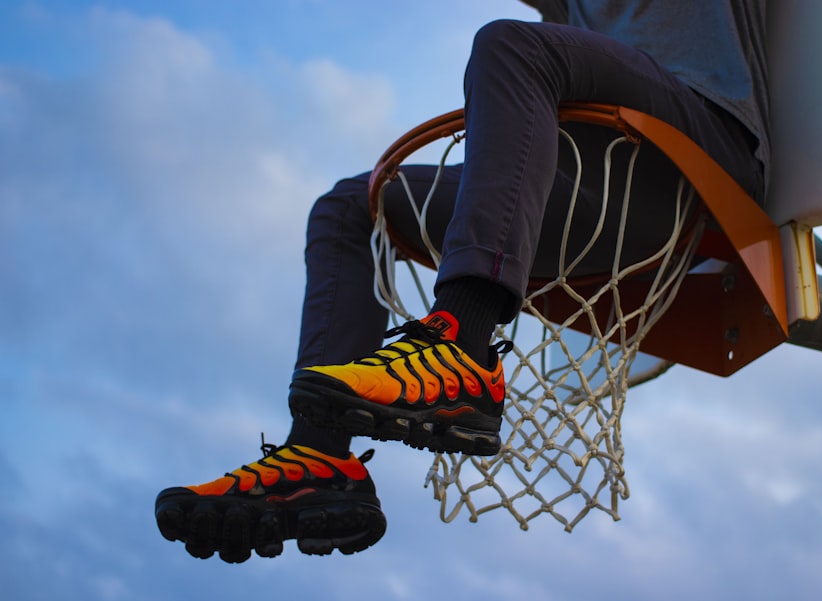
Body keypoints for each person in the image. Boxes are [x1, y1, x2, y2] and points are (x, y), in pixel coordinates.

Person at [154, 0, 769, 563]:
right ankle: (319, 459)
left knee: (512, 45)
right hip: (590, 185)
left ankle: (464, 343)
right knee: (349, 208)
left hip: (697, 154)